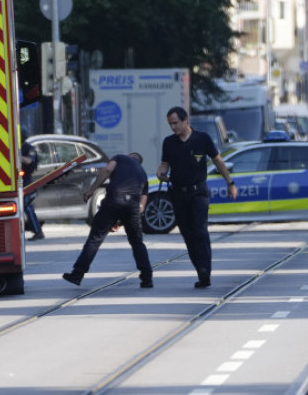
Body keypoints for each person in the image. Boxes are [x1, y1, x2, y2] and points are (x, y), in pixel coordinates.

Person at [157, 106, 238, 288]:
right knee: (187, 234)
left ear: (186, 121)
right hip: (179, 193)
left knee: (200, 231)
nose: (173, 127)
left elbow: (217, 160)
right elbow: (164, 165)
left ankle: (204, 271)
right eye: (170, 124)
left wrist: (230, 183)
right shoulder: (169, 142)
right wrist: (161, 173)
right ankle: (199, 269)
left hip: (199, 192)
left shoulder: (202, 138)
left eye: (175, 123)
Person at [62, 152, 153, 287]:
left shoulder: (121, 158)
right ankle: (147, 278)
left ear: (130, 155)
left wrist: (91, 190)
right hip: (132, 205)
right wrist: (122, 220)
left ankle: (77, 273)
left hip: (114, 200)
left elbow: (107, 169)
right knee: (137, 242)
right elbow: (142, 203)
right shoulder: (142, 173)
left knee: (95, 238)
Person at [20, 138, 44, 240]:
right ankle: (34, 228)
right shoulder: (19, 147)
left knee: (27, 206)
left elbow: (29, 161)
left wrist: (18, 157)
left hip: (26, 182)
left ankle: (38, 231)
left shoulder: (28, 148)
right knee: (26, 207)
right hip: (20, 181)